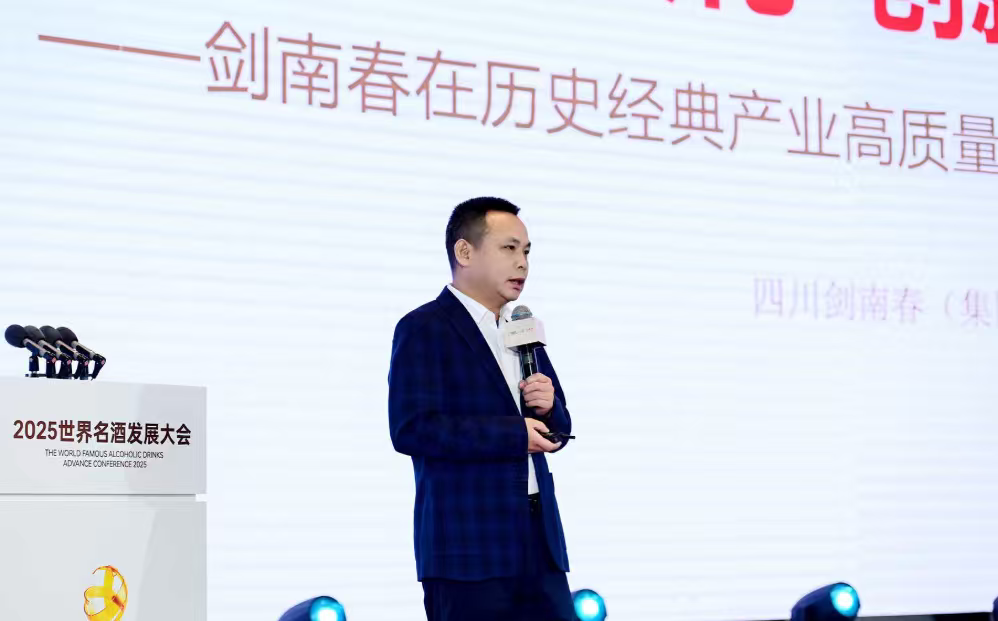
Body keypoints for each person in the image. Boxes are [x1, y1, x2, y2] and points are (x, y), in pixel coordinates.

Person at [388, 196, 576, 621]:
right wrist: (514, 434)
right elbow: (412, 428)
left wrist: (550, 409)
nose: (522, 263)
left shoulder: (521, 328)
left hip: (539, 543)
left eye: (526, 252)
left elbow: (557, 428)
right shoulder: (424, 328)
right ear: (465, 252)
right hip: (468, 549)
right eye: (509, 248)